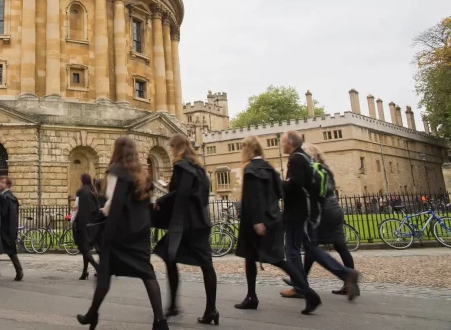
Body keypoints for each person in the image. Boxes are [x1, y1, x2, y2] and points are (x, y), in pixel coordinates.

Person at [77, 136, 168, 330]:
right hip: (141, 231)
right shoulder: (142, 174)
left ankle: (93, 314)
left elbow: (113, 204)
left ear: (117, 151)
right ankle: (160, 321)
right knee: (148, 274)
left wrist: (106, 230)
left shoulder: (115, 172)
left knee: (105, 274)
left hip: (120, 232)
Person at [234, 136, 322, 314]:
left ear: (247, 149)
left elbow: (254, 198)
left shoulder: (251, 169)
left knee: (276, 260)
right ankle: (251, 297)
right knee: (251, 258)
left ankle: (309, 293)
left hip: (256, 222)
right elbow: (280, 193)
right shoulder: (270, 169)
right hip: (273, 218)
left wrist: (258, 220)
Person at [279, 131, 359, 301]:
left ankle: (300, 286)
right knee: (312, 249)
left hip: (298, 213)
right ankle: (346, 274)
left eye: (282, 141)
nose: (280, 144)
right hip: (311, 212)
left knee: (292, 250)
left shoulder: (296, 159)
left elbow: (297, 185)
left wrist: (278, 185)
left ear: (290, 143)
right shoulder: (307, 160)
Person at [153, 133, 218, 325]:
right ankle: (211, 309)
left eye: (172, 148)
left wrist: (160, 199)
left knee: (169, 256)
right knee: (207, 265)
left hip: (184, 224)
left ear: (177, 147)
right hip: (200, 222)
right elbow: (194, 193)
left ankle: (173, 305)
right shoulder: (199, 169)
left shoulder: (181, 166)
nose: (171, 151)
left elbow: (180, 194)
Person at [72, 173, 100, 280]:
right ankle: (84, 272)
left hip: (82, 223)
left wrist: (73, 219)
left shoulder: (80, 191)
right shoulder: (93, 192)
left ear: (82, 180)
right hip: (92, 223)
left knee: (83, 248)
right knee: (86, 248)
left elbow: (77, 207)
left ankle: (97, 268)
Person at [0, 176, 23, 282]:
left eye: (2, 182)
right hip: (2, 228)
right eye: (0, 182)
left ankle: (19, 271)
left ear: (8, 185)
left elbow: (12, 216)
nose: (0, 184)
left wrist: (12, 231)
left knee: (11, 252)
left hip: (6, 229)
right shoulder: (3, 195)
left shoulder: (8, 197)